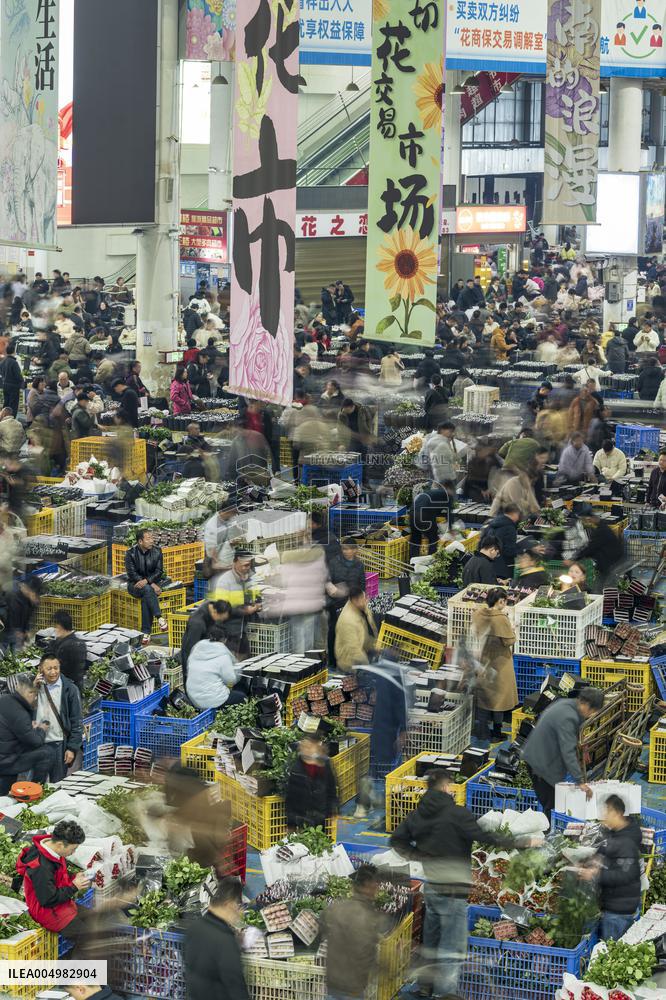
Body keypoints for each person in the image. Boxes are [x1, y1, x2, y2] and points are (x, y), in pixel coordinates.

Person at [390, 769, 525, 1000]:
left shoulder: (418, 814)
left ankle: (425, 987)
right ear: (444, 787)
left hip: (432, 887)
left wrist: (420, 855)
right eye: (450, 786)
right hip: (453, 891)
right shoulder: (457, 813)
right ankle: (443, 995)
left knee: (430, 941)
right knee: (450, 950)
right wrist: (521, 842)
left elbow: (396, 840)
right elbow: (485, 837)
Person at [522, 687, 605, 819]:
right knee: (553, 805)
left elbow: (568, 736)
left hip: (542, 758)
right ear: (586, 705)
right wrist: (580, 781)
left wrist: (579, 745)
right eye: (593, 711)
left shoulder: (568, 704)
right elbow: (568, 752)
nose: (592, 715)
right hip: (540, 765)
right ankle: (549, 834)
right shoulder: (568, 716)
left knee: (553, 801)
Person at [580, 794, 642, 942]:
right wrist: (590, 860)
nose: (604, 816)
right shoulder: (615, 833)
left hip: (619, 910)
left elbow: (626, 875)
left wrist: (596, 875)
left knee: (611, 950)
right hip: (612, 904)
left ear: (616, 813)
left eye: (606, 812)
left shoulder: (627, 841)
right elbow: (606, 850)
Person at [15, 820, 91, 936]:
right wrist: (74, 886)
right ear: (60, 845)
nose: (73, 852)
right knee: (89, 938)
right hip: (50, 913)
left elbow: (57, 878)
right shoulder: (41, 868)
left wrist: (74, 878)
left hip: (61, 904)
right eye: (73, 849)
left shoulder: (52, 851)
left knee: (95, 919)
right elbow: (48, 900)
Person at [320, 865, 384, 1000]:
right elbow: (365, 953)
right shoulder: (368, 917)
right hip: (352, 988)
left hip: (332, 982)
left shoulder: (335, 908)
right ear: (368, 886)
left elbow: (322, 928)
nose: (377, 888)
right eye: (376, 884)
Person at [184, 876, 249, 1000]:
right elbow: (236, 987)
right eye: (239, 906)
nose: (240, 913)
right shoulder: (225, 940)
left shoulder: (194, 927)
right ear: (230, 904)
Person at [473, 587, 517, 742]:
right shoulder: (501, 618)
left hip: (484, 660)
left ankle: (483, 730)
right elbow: (509, 641)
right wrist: (513, 630)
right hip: (501, 662)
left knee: (486, 696)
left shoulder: (479, 614)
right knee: (500, 698)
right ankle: (497, 733)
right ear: (501, 601)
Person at [35, 654, 83, 783]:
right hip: (37, 745)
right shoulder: (35, 686)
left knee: (57, 783)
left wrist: (72, 748)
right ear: (41, 669)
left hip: (58, 745)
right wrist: (33, 688)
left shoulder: (70, 689)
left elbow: (77, 720)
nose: (53, 672)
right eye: (49, 668)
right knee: (34, 785)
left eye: (56, 668)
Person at [0, 675, 50, 793]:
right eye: (35, 696)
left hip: (5, 755)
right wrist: (41, 729)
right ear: (30, 693)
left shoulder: (4, 699)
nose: (35, 699)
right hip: (6, 761)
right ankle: (34, 792)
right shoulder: (20, 713)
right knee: (45, 753)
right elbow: (35, 742)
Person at [210, 552, 261, 659]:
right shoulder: (225, 581)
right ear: (235, 563)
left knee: (245, 664)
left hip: (243, 631)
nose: (247, 568)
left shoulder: (249, 578)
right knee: (230, 662)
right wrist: (245, 611)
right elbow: (221, 609)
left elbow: (256, 596)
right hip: (228, 633)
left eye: (249, 565)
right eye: (245, 565)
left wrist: (257, 604)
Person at [285, 732, 339, 832]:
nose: (307, 749)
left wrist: (333, 811)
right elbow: (291, 797)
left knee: (320, 840)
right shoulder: (296, 769)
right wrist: (291, 823)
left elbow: (331, 789)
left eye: (310, 746)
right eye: (304, 746)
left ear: (317, 747)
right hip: (301, 817)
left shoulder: (325, 764)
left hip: (320, 815)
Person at [186, 623, 245, 711]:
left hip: (192, 696)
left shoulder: (197, 647)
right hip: (212, 700)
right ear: (225, 639)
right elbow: (231, 680)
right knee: (242, 697)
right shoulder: (223, 655)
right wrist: (238, 669)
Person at [326, 538, 366, 666]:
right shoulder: (334, 563)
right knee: (334, 630)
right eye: (344, 548)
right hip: (336, 602)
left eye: (350, 549)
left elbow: (362, 584)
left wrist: (360, 599)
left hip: (352, 603)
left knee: (352, 632)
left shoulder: (359, 565)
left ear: (356, 550)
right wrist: (332, 588)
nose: (347, 551)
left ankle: (351, 659)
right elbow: (327, 580)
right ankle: (333, 660)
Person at [124, 528, 168, 639]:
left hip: (150, 584)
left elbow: (159, 571)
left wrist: (148, 582)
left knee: (147, 595)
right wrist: (149, 583)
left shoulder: (157, 551)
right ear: (140, 541)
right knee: (148, 590)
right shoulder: (130, 553)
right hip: (134, 585)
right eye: (148, 538)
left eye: (152, 538)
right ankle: (159, 617)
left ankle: (146, 633)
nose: (152, 541)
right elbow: (132, 574)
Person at [181, 599, 234, 681]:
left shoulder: (211, 607)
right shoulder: (197, 624)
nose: (221, 621)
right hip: (193, 664)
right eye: (221, 618)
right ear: (215, 612)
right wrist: (189, 672)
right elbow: (189, 649)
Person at [334, 587, 377, 673]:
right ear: (354, 600)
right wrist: (370, 668)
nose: (366, 601)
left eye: (365, 597)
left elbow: (371, 628)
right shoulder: (348, 620)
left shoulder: (362, 608)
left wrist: (376, 648)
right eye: (363, 599)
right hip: (350, 664)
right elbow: (354, 651)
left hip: (364, 652)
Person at [51, 611, 87, 693]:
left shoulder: (66, 647)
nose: (55, 630)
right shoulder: (80, 643)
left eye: (56, 627)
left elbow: (59, 671)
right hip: (77, 688)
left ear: (60, 627)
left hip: (66, 691)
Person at [486, 503, 520, 576]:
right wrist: (522, 550)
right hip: (504, 567)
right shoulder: (510, 528)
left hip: (490, 563)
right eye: (518, 514)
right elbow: (509, 551)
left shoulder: (494, 523)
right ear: (514, 513)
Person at [0, 341, 24, 417]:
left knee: (6, 403)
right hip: (14, 386)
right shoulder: (14, 362)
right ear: (14, 351)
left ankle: (3, 418)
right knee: (13, 404)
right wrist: (22, 381)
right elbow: (18, 375)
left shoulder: (3, 362)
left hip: (5, 384)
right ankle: (11, 419)